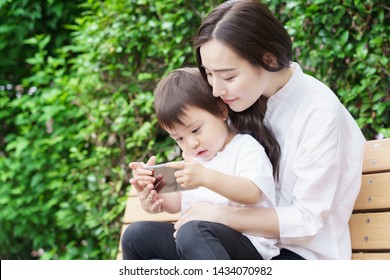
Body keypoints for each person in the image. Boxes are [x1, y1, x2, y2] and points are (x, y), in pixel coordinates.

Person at [168, 0, 364, 260]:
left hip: (300, 255)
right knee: (139, 237)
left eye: (227, 77)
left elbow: (307, 220)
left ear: (268, 59)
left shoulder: (319, 111)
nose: (216, 90)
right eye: (209, 75)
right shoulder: (238, 103)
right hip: (236, 240)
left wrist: (220, 215)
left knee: (194, 234)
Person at [121, 67, 279, 260]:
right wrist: (155, 195)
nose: (191, 144)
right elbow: (179, 202)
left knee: (192, 230)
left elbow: (253, 193)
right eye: (179, 138)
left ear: (221, 111)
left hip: (246, 246)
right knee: (136, 235)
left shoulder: (245, 147)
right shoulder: (194, 158)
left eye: (196, 130)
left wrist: (205, 177)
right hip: (194, 247)